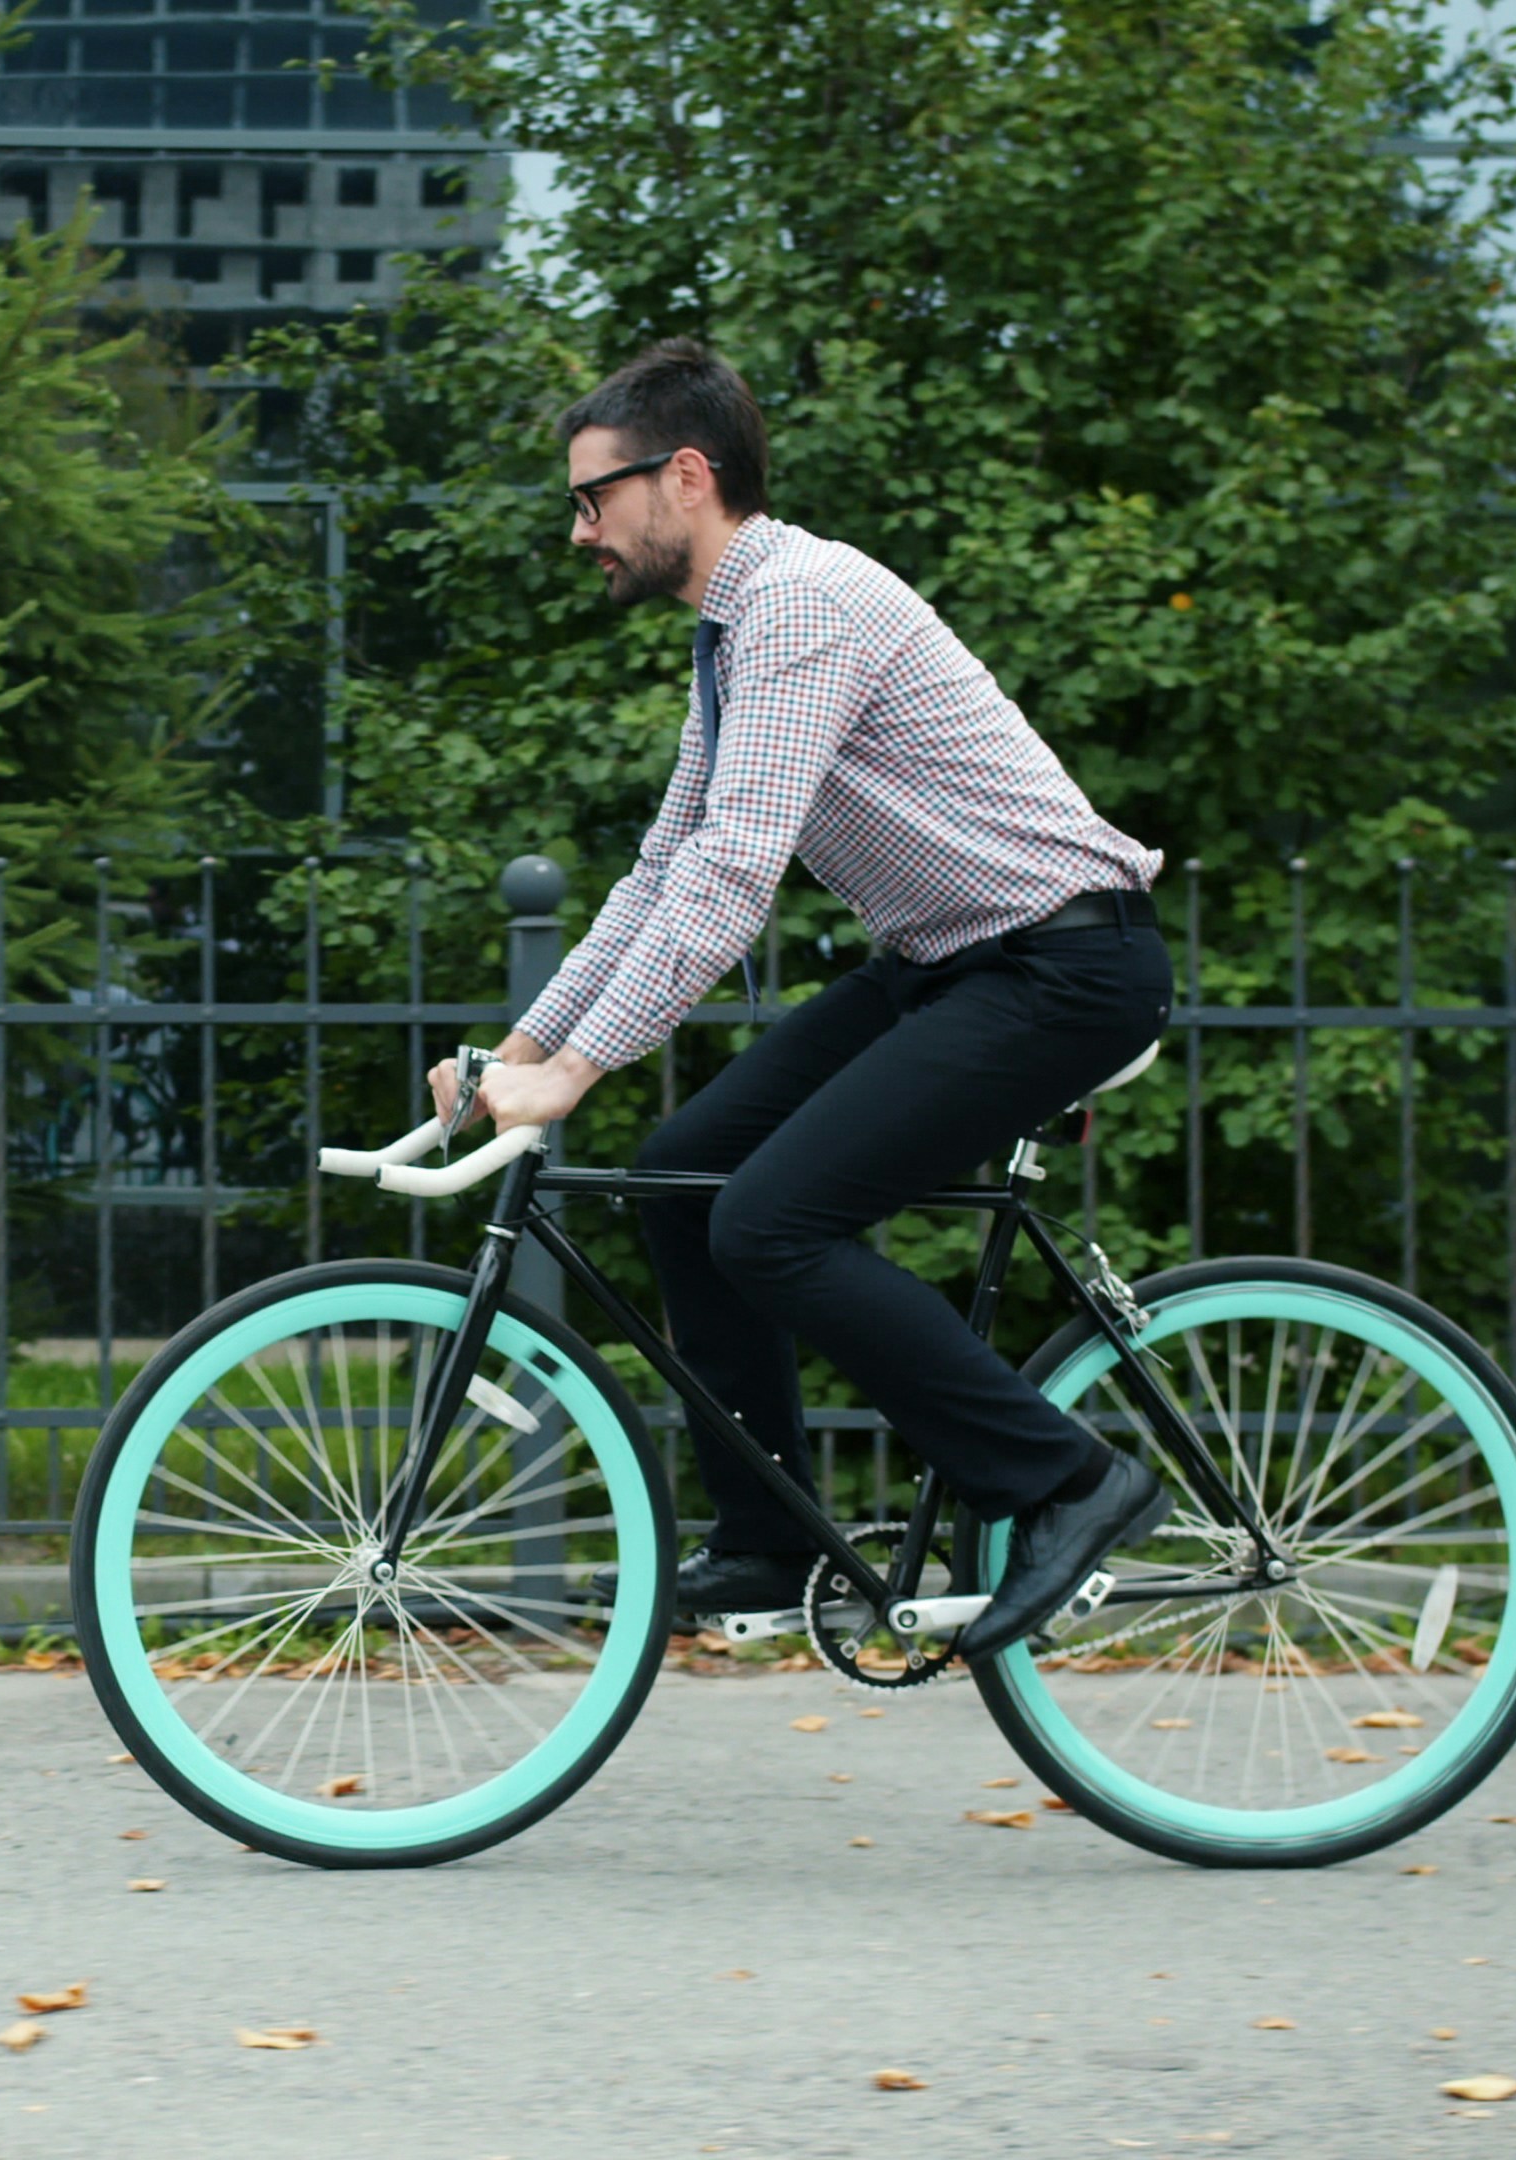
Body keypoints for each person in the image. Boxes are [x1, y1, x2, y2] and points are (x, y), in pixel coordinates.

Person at [426, 338, 1175, 1659]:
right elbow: (663, 867)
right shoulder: (732, 639)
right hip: (954, 961)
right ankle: (773, 1546)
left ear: (689, 477)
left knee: (772, 1223)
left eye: (595, 497)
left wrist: (576, 1069)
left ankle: (1068, 1480)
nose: (580, 529)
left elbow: (732, 876)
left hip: (1066, 963)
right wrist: (527, 1047)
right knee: (690, 1171)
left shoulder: (801, 605)